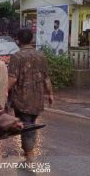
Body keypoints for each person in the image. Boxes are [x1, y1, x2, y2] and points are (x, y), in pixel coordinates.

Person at [8, 28, 54, 163]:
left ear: (18, 40)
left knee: (27, 127)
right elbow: (46, 78)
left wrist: (3, 91)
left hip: (23, 100)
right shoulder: (41, 56)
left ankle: (29, 156)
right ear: (31, 39)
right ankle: (28, 152)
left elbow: (12, 79)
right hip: (38, 100)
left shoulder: (16, 57)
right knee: (31, 124)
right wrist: (50, 94)